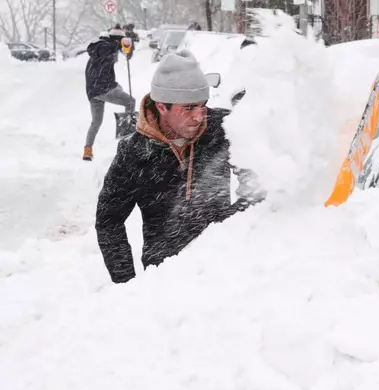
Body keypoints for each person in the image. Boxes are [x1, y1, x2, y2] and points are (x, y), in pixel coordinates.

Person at [95, 49, 264, 284]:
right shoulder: (134, 154)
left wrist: (236, 219)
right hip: (167, 279)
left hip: (224, 269)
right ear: (162, 107)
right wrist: (127, 284)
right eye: (189, 108)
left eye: (203, 106)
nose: (198, 117)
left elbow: (259, 177)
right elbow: (109, 221)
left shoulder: (222, 130)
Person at [84, 25, 136, 161]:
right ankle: (127, 138)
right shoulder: (105, 47)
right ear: (116, 40)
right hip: (103, 88)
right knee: (130, 101)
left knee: (96, 121)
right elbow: (109, 52)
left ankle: (87, 150)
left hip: (92, 91)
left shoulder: (97, 48)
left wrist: (126, 50)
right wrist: (124, 47)